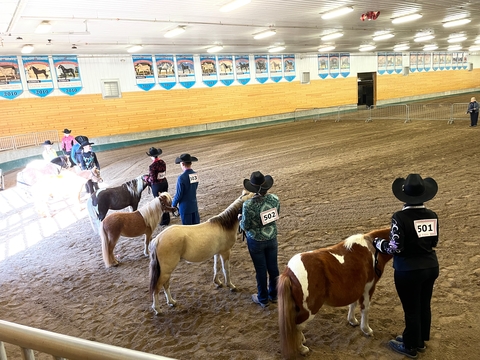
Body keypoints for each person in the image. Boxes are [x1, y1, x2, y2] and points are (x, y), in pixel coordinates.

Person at [373, 174, 439, 359]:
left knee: (411, 309)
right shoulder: (432, 216)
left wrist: (378, 243)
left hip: (408, 270)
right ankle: (419, 340)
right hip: (431, 266)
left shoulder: (399, 217)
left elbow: (395, 248)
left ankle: (409, 346)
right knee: (424, 305)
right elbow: (434, 242)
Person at [239, 171, 280, 308]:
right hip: (272, 237)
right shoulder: (275, 199)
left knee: (261, 270)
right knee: (273, 268)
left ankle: (262, 298)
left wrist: (240, 219)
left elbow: (245, 226)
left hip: (256, 240)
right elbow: (275, 215)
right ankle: (274, 295)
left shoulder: (248, 205)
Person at [144, 147, 170, 226]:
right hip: (164, 182)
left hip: (157, 185)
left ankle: (162, 220)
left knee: (159, 203)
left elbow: (152, 179)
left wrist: (146, 178)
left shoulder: (152, 166)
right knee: (165, 200)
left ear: (151, 156)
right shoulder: (163, 162)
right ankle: (167, 218)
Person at [172, 153, 199, 225]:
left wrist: (173, 204)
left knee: (187, 228)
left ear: (183, 164)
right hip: (194, 206)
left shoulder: (181, 178)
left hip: (185, 208)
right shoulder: (195, 174)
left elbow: (179, 194)